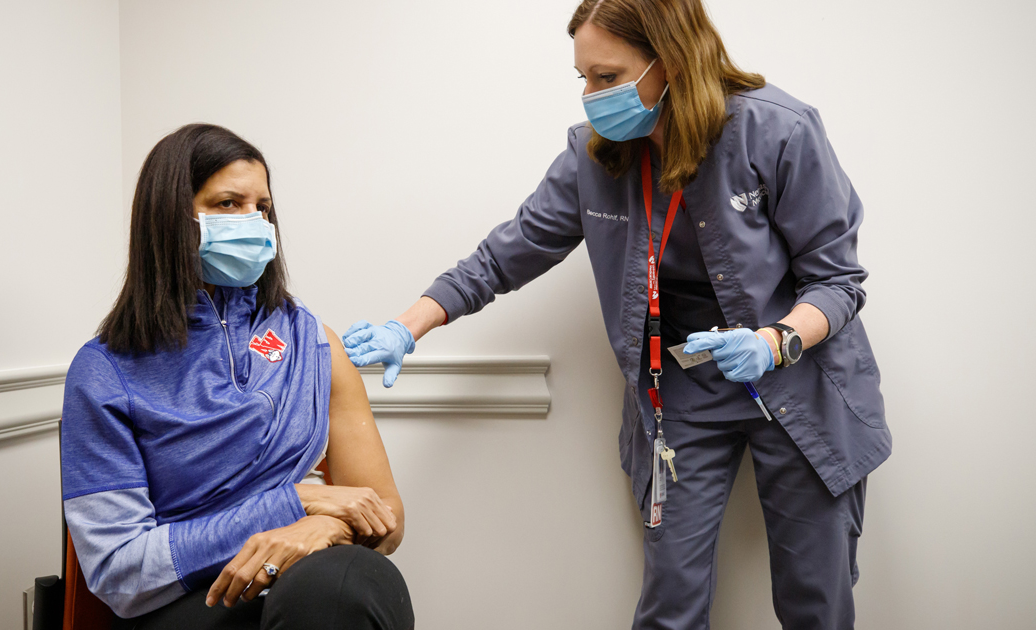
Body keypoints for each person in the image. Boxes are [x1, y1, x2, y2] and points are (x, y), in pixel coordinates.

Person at [342, 1, 888, 628]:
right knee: (670, 602)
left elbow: (837, 280)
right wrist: (406, 327)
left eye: (607, 78)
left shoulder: (778, 129)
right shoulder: (593, 155)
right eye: (583, 78)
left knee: (814, 599)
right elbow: (504, 255)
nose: (591, 97)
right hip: (683, 391)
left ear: (673, 62)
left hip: (799, 385)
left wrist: (776, 341)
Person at [60, 124, 414, 630]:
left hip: (310, 580)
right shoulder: (105, 371)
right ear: (170, 219)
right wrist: (296, 502)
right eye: (228, 203)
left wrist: (317, 529)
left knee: (340, 586)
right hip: (190, 602)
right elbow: (120, 570)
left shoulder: (314, 344)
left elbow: (384, 516)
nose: (252, 221)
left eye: (261, 207)